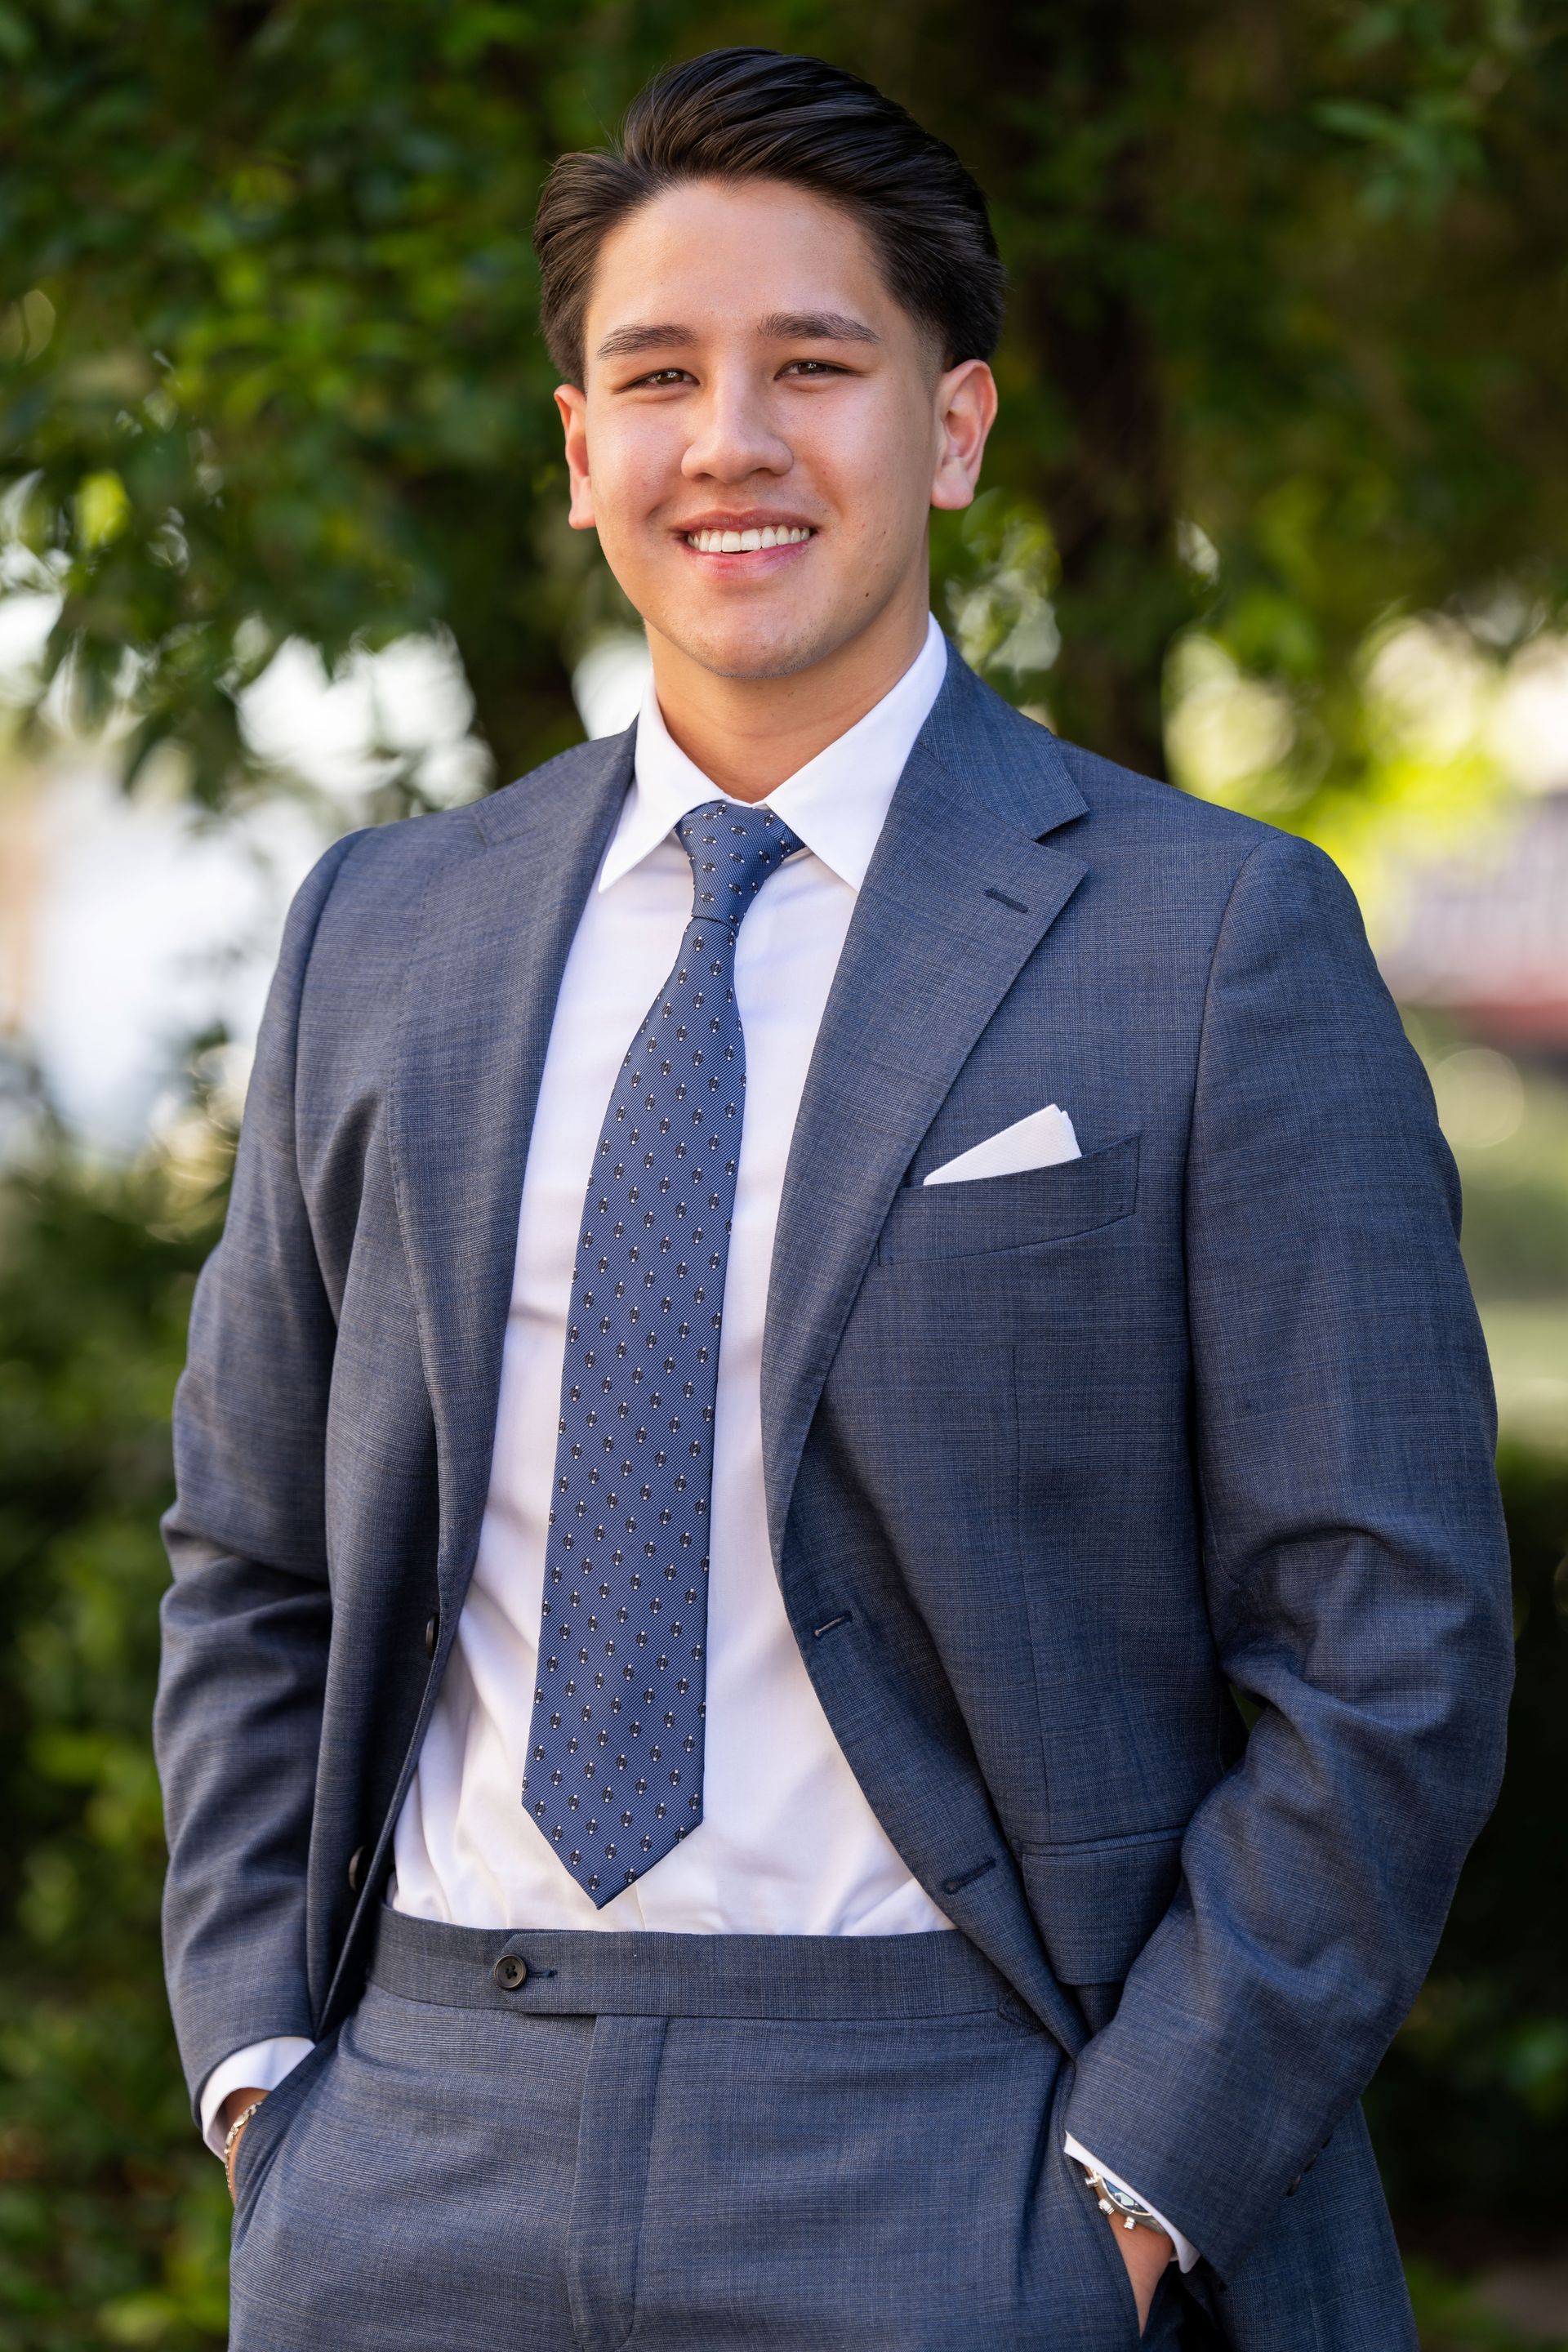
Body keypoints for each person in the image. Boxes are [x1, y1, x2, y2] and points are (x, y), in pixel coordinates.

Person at [154, 47, 1512, 2352]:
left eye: (817, 365)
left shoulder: (1206, 939)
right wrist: (266, 2075)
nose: (734, 442)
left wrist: (1134, 2178)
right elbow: (253, 1553)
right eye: (658, 376)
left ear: (956, 427)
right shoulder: (390, 934)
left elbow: (1386, 1630)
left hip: (962, 2139)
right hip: (415, 2148)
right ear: (581, 454)